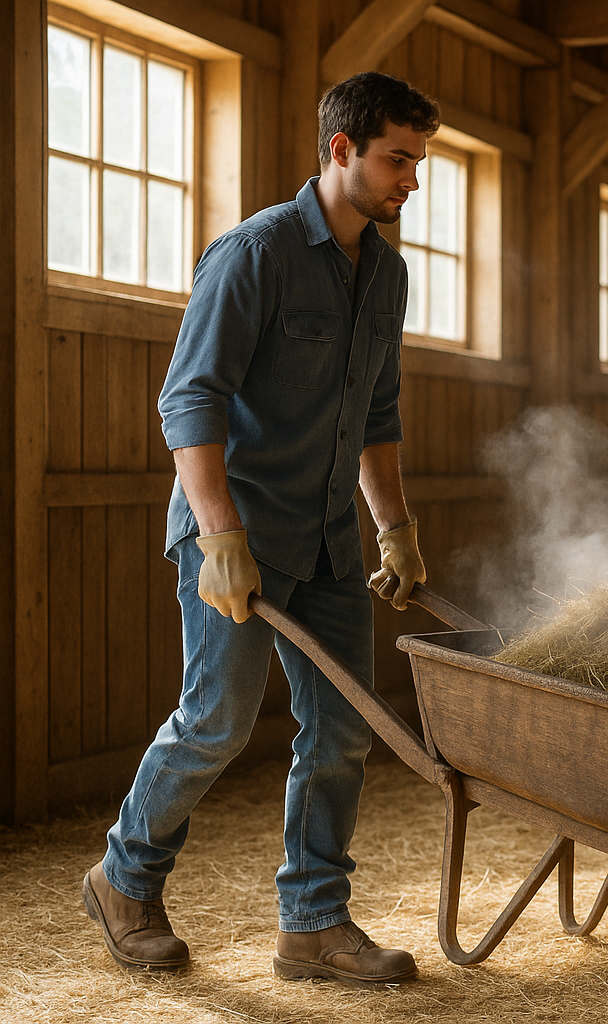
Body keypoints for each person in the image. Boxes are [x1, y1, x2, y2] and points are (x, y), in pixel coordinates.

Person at [82, 72, 437, 986]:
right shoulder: (255, 253)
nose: (411, 179)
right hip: (233, 532)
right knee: (218, 720)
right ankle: (123, 879)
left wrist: (392, 528)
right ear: (341, 150)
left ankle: (313, 925)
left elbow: (379, 416)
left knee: (343, 732)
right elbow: (188, 398)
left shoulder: (386, 274)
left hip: (326, 543)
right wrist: (219, 535)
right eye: (398, 158)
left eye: (418, 161)